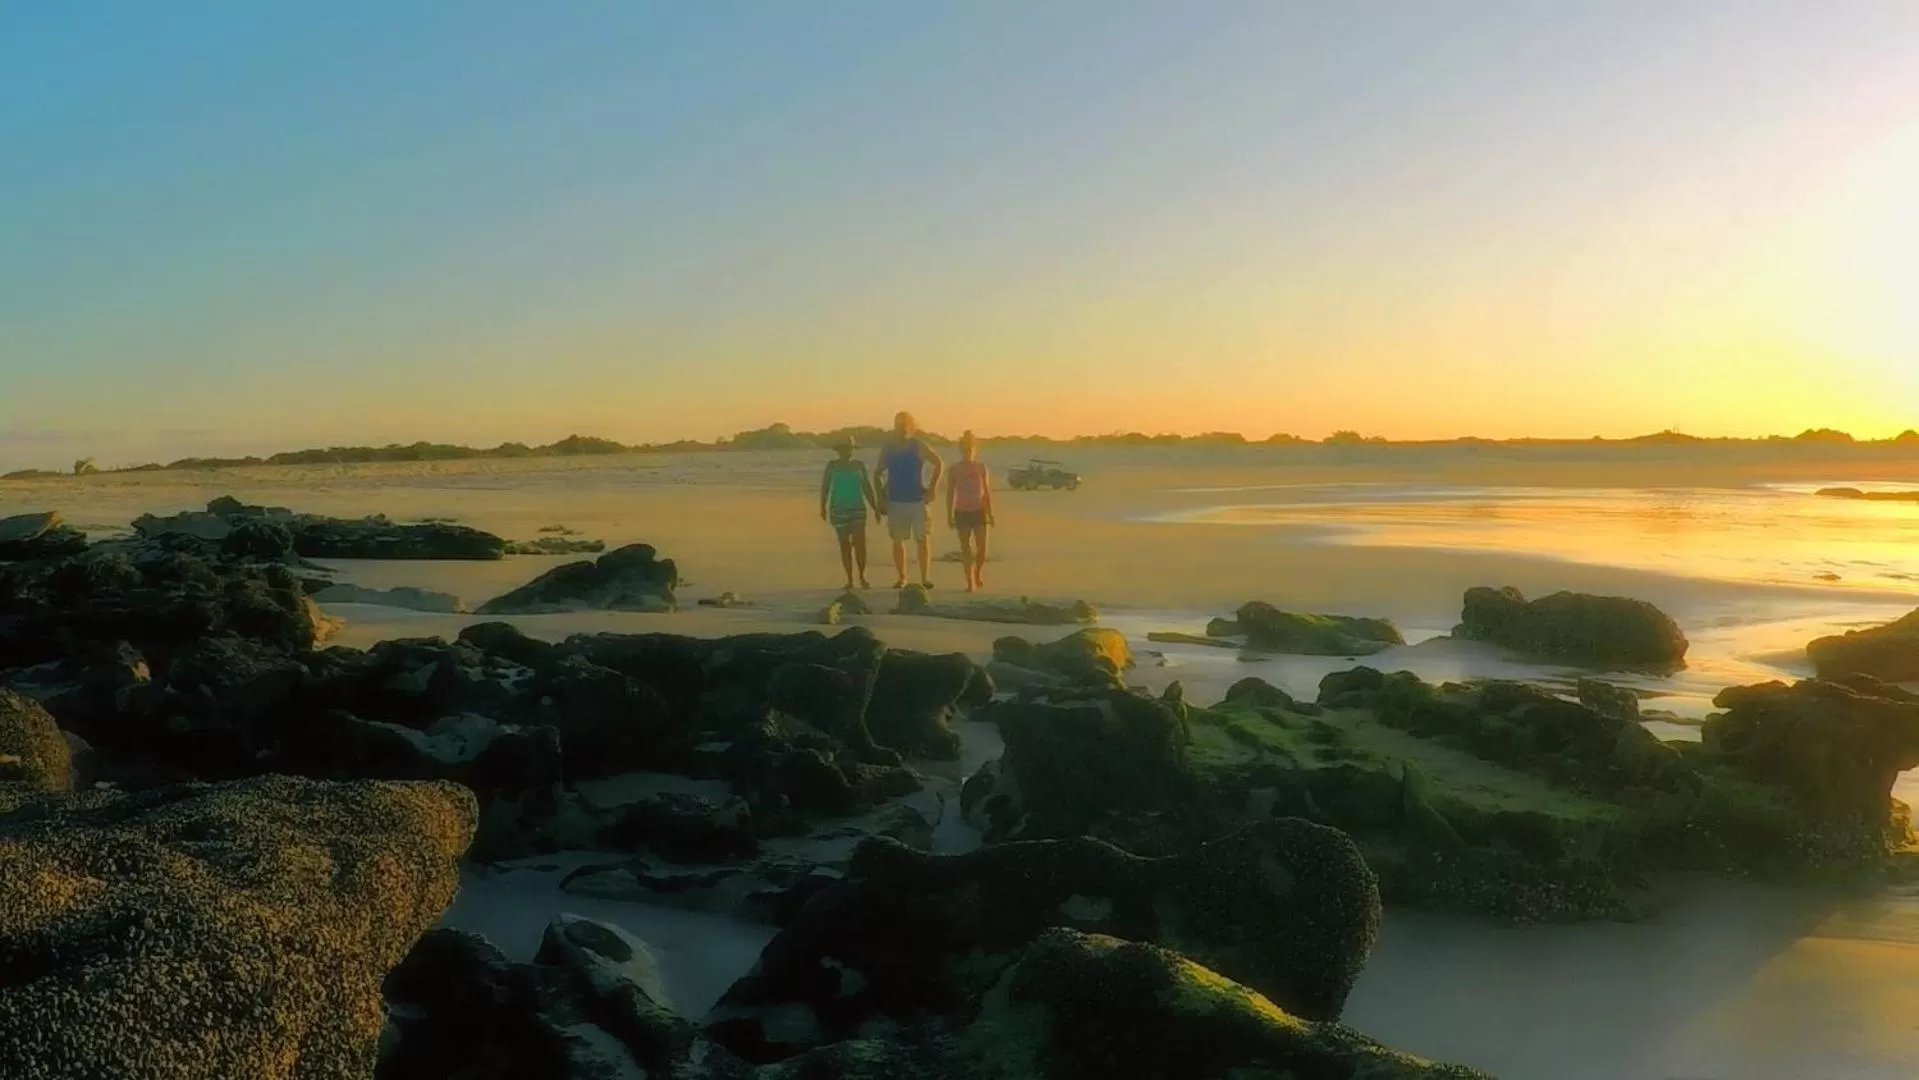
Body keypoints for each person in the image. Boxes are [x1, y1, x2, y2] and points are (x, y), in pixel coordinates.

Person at [874, 410, 944, 589]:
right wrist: (880, 497)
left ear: (911, 427)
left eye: (905, 425)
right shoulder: (888, 448)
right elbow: (877, 473)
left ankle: (925, 578)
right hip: (895, 500)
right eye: (898, 425)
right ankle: (902, 577)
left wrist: (933, 488)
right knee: (898, 540)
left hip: (917, 499)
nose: (902, 429)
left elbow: (938, 463)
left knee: (923, 538)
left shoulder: (918, 445)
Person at [818, 436, 880, 589]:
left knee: (860, 543)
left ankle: (862, 576)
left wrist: (875, 507)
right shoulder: (832, 466)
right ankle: (850, 579)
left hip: (857, 508)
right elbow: (825, 487)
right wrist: (822, 507)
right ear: (839, 450)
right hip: (838, 508)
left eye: (850, 448)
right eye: (845, 449)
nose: (848, 451)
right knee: (844, 544)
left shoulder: (859, 465)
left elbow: (867, 488)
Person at [945, 430, 994, 591]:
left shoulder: (981, 468)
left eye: (970, 449)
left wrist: (990, 512)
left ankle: (978, 573)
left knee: (982, 550)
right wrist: (949, 514)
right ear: (960, 450)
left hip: (979, 510)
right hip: (962, 512)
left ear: (975, 450)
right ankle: (970, 582)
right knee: (966, 548)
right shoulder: (954, 469)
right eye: (964, 449)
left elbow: (986, 491)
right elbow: (950, 492)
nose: (967, 452)